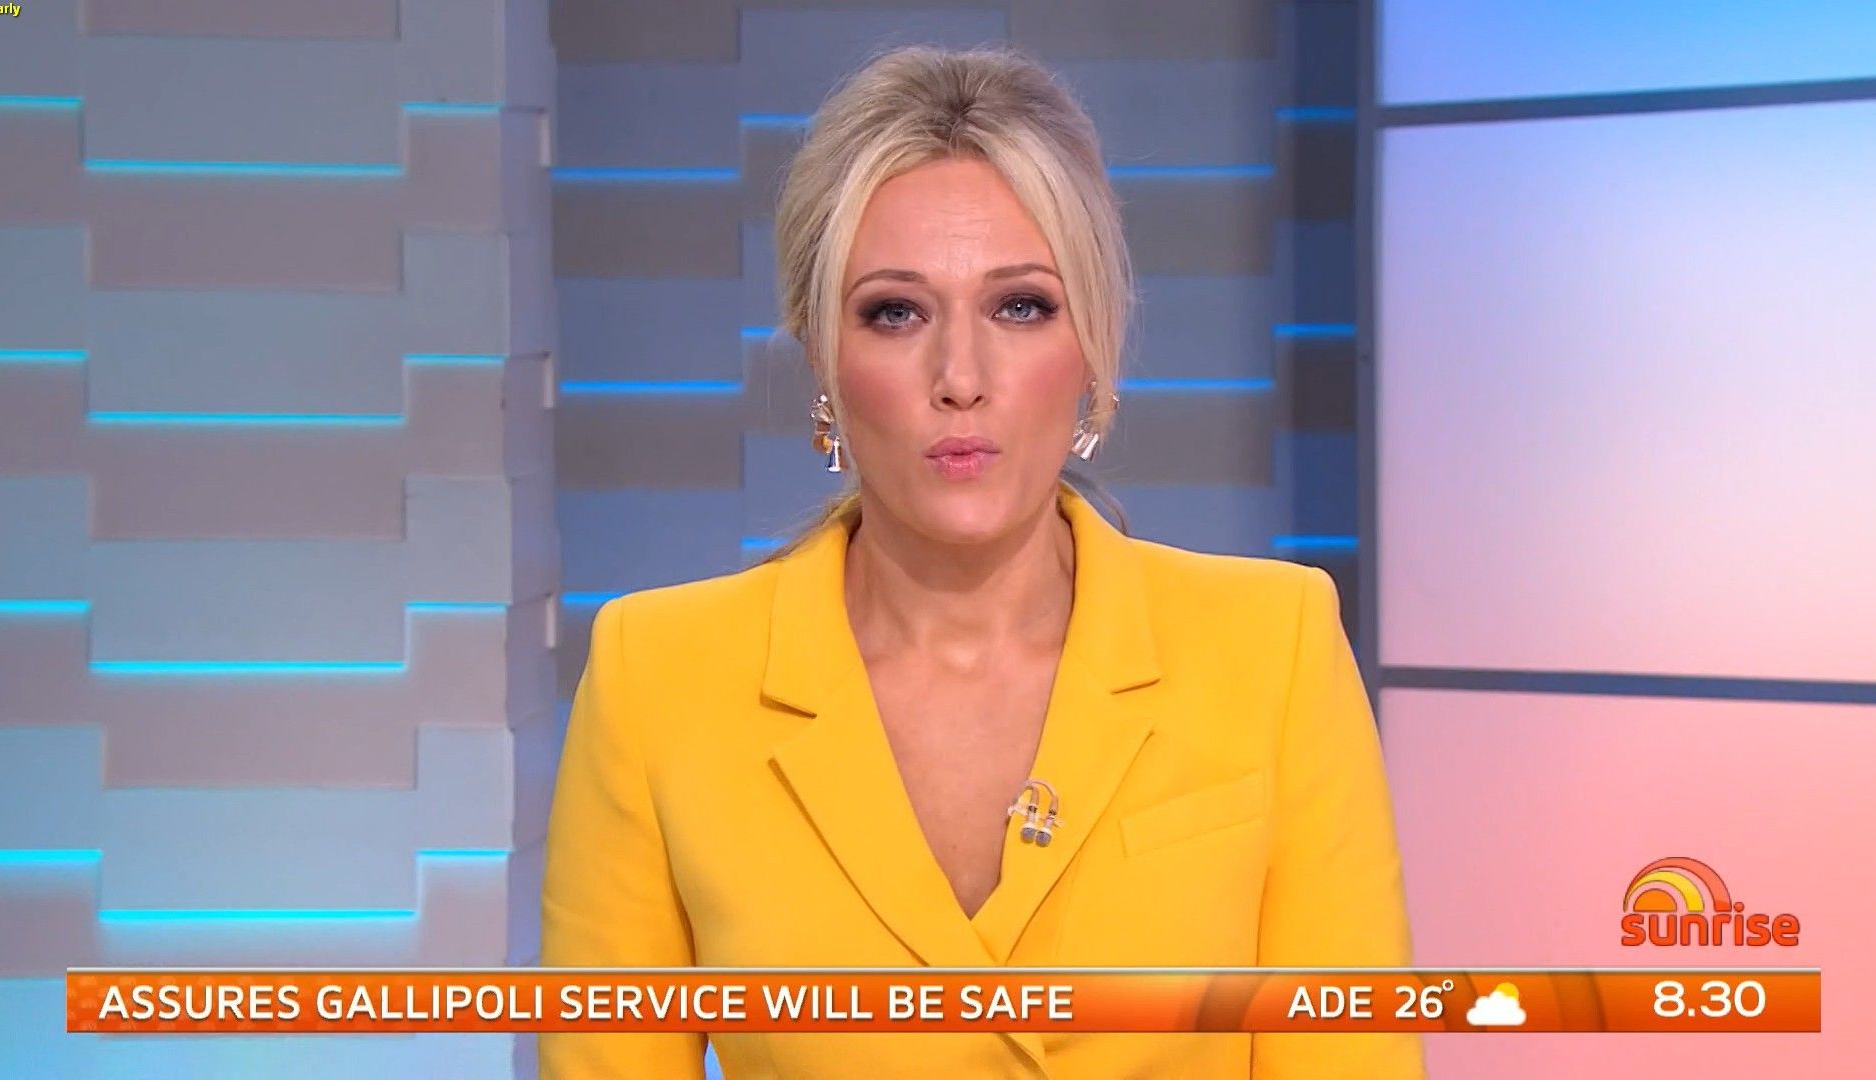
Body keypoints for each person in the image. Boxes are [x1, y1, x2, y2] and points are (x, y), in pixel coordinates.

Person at [541, 43, 1423, 1079]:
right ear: (822, 356)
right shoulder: (658, 680)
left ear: (1091, 346)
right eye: (895, 312)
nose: (960, 376)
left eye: (1020, 307)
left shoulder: (1275, 651)